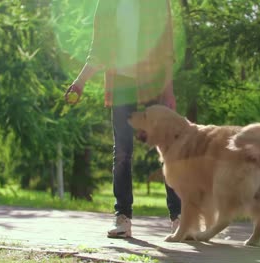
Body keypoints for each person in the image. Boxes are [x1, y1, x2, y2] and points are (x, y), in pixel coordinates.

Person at [65, 0, 181, 238]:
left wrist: (168, 88)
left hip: (153, 79)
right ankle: (123, 218)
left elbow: (166, 47)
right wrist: (80, 82)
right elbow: (98, 50)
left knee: (168, 147)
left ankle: (179, 218)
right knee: (123, 151)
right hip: (121, 82)